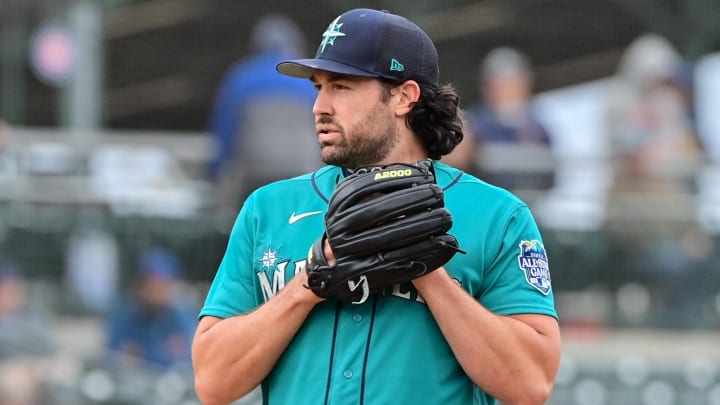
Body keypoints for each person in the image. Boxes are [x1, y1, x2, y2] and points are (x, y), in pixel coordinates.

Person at [193, 8, 560, 405]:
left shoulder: (497, 216)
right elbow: (213, 382)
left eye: (342, 86)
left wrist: (427, 270)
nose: (319, 106)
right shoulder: (268, 208)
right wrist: (308, 282)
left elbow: (530, 383)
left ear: (404, 96)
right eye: (319, 87)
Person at [207, 13, 319, 210]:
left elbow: (225, 131)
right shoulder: (308, 80)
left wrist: (214, 173)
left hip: (255, 177)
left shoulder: (240, 78)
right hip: (303, 175)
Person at [452, 47, 555, 191]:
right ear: (488, 87)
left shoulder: (538, 129)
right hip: (486, 201)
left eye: (514, 83)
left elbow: (551, 177)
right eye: (501, 83)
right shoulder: (472, 123)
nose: (508, 90)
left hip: (529, 203)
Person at [105, 248, 197, 372]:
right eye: (153, 285)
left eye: (164, 285)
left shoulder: (181, 316)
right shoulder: (125, 315)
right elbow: (112, 356)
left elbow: (189, 359)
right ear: (141, 285)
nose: (158, 292)